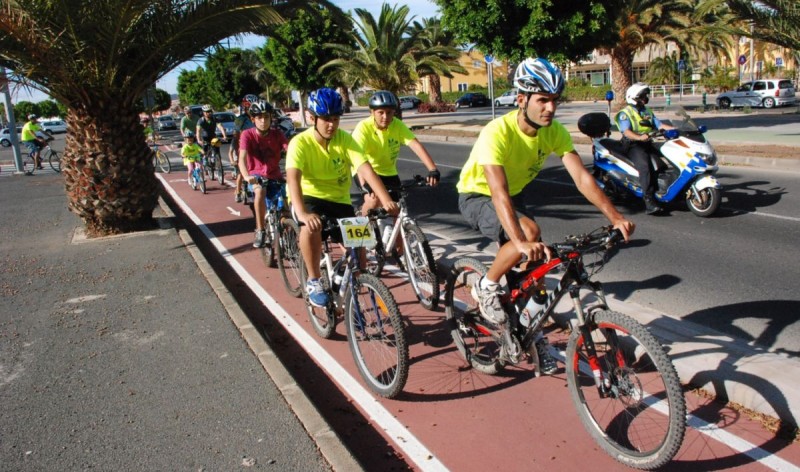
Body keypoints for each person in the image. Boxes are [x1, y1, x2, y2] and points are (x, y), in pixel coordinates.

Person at [456, 57, 635, 374]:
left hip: (514, 194)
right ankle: (485, 286)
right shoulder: (497, 132)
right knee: (529, 233)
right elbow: (498, 193)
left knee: (536, 275)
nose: (550, 108)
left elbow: (582, 179)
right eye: (542, 100)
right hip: (477, 194)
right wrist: (520, 241)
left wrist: (616, 217)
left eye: (554, 100)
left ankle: (528, 333)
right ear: (522, 99)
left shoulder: (553, 132)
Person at [285, 87, 399, 307]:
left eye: (336, 119)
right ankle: (314, 279)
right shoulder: (300, 143)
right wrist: (303, 214)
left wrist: (386, 201)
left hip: (339, 200)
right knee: (311, 227)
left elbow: (366, 170)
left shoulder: (344, 139)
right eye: (326, 119)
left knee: (360, 256)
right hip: (309, 198)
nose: (332, 125)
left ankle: (354, 291)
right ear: (312, 118)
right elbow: (293, 180)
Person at [351, 90, 440, 218]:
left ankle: (399, 238)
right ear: (372, 112)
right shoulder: (363, 127)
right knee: (373, 200)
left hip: (389, 172)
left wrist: (433, 169)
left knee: (396, 212)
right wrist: (364, 184)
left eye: (389, 113)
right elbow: (357, 159)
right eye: (380, 113)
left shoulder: (397, 125)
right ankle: (363, 223)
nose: (385, 117)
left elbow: (415, 145)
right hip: (365, 171)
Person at [615, 83, 675, 215]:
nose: (645, 98)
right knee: (645, 167)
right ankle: (648, 201)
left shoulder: (646, 111)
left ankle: (664, 191)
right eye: (642, 96)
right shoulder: (625, 113)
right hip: (632, 145)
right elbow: (626, 132)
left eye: (645, 96)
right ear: (634, 97)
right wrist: (639, 137)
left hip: (647, 142)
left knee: (664, 162)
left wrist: (677, 130)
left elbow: (659, 125)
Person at [238, 99, 289, 248]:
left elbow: (289, 150)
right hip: (256, 176)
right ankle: (260, 230)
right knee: (260, 192)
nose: (263, 121)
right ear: (253, 119)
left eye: (266, 117)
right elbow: (242, 159)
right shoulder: (247, 135)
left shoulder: (277, 134)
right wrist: (247, 177)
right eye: (259, 117)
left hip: (276, 175)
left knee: (287, 202)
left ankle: (290, 232)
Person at [230, 94, 258, 203]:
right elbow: (236, 136)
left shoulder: (257, 117)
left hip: (256, 148)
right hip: (243, 148)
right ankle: (237, 191)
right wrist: (236, 151)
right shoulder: (240, 120)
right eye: (248, 106)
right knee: (241, 172)